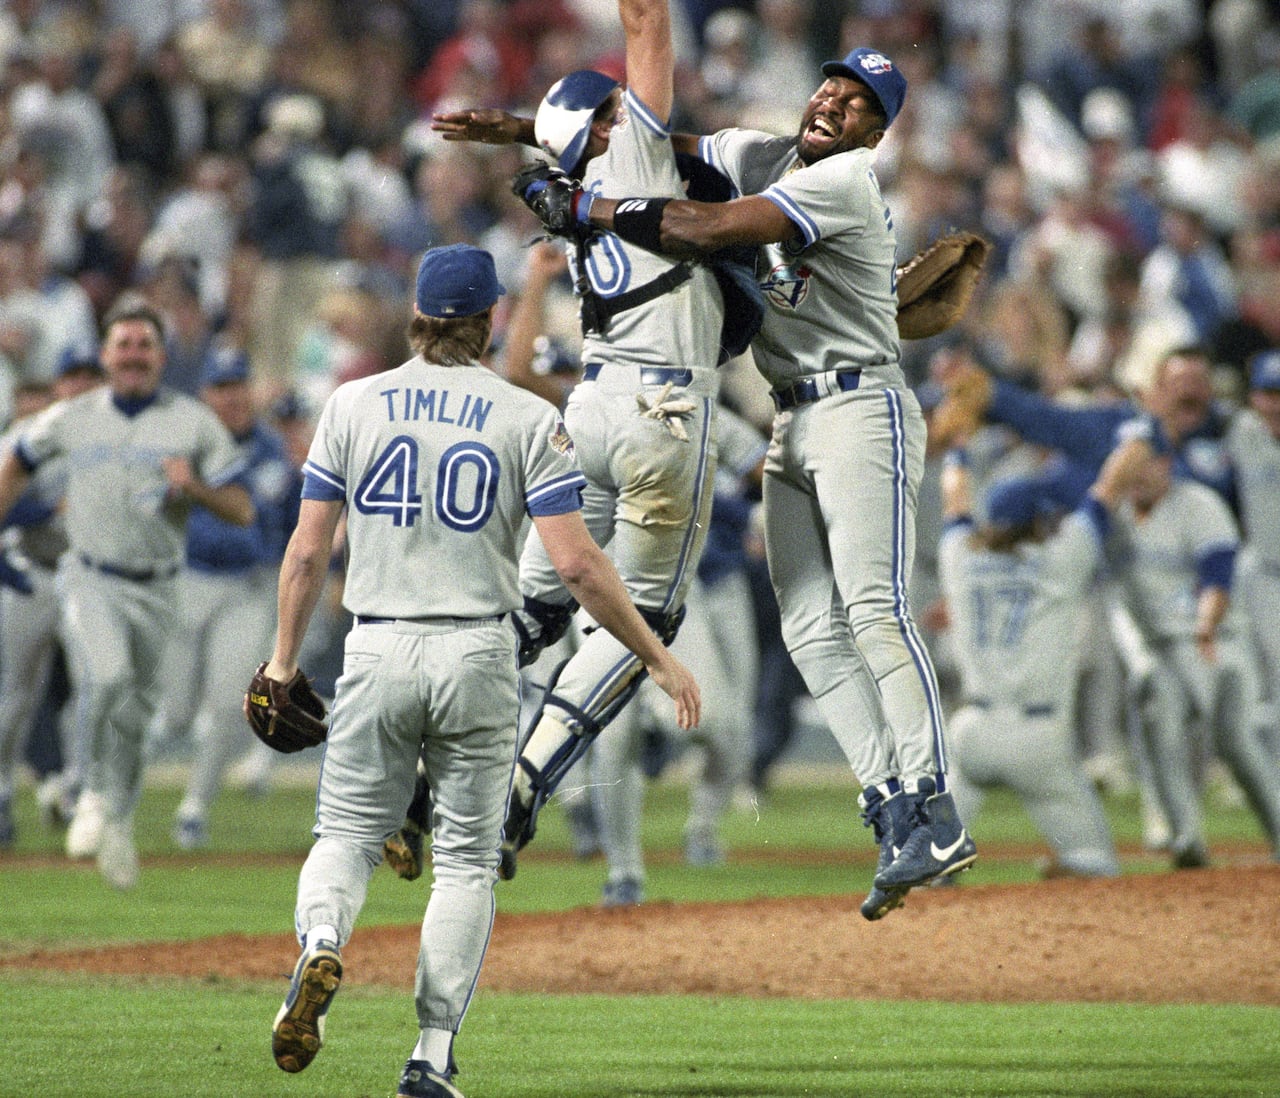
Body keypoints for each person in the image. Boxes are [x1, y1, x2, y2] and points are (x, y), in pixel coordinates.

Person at [515, 44, 976, 917]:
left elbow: (702, 228)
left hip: (860, 404)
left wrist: (577, 205)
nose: (836, 104)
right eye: (832, 87)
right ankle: (890, 804)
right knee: (807, 627)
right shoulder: (763, 155)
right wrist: (523, 133)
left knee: (872, 607)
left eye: (859, 104)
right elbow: (669, 145)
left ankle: (937, 804)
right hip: (793, 415)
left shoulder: (842, 184)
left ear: (878, 133)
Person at [264, 243, 699, 1098]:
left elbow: (309, 550)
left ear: (418, 316)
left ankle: (321, 943)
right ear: (491, 318)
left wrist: (282, 661)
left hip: (377, 642)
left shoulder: (353, 404)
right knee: (465, 863)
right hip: (478, 651)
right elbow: (574, 566)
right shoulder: (526, 418)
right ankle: (429, 1055)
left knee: (347, 839)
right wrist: (653, 654)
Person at [430, 0, 730, 884]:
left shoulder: (565, 193)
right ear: (605, 127)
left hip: (590, 407)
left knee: (532, 614)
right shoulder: (634, 154)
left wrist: (530, 130)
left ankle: (424, 773)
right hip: (661, 410)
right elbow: (646, 24)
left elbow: (568, 146)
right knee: (647, 616)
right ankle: (519, 789)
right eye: (610, 112)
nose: (626, 115)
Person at [0, 300, 253, 889]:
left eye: (144, 344)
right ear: (107, 355)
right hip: (89, 574)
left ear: (162, 357)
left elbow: (242, 509)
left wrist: (194, 489)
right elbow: (15, 459)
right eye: (124, 344)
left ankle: (117, 818)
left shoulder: (192, 421)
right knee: (106, 677)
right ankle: (87, 791)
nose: (134, 355)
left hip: (162, 585)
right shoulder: (71, 416)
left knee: (138, 715)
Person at [936, 442, 1151, 879]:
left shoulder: (959, 557)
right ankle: (1078, 870)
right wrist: (1140, 435)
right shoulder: (1060, 560)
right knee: (1097, 867)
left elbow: (955, 499)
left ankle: (936, 873)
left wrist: (957, 451)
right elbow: (1108, 489)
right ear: (1036, 522)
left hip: (970, 734)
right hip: (1038, 739)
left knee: (931, 861)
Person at [149, 345, 302, 849]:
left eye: (238, 385)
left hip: (247, 586)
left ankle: (194, 806)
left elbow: (270, 519)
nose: (231, 396)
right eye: (221, 387)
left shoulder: (268, 450)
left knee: (229, 702)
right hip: (188, 581)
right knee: (173, 712)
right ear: (204, 395)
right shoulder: (182, 445)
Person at [1107, 433, 1280, 869]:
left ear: (1167, 462)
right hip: (1164, 649)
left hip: (1216, 643)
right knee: (1159, 724)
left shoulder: (1198, 504)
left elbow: (1218, 573)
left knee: (1237, 742)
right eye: (1131, 462)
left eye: (1148, 461)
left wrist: (1205, 624)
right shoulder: (1115, 518)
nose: (1140, 472)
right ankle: (1186, 839)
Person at [0, 352, 106, 847]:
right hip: (30, 571)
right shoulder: (28, 435)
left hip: (86, 576)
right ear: (60, 386)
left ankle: (76, 788)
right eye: (72, 378)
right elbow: (7, 502)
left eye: (89, 378)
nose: (80, 387)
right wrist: (47, 507)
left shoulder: (115, 436)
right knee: (14, 695)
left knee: (92, 683)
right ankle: (3, 789)